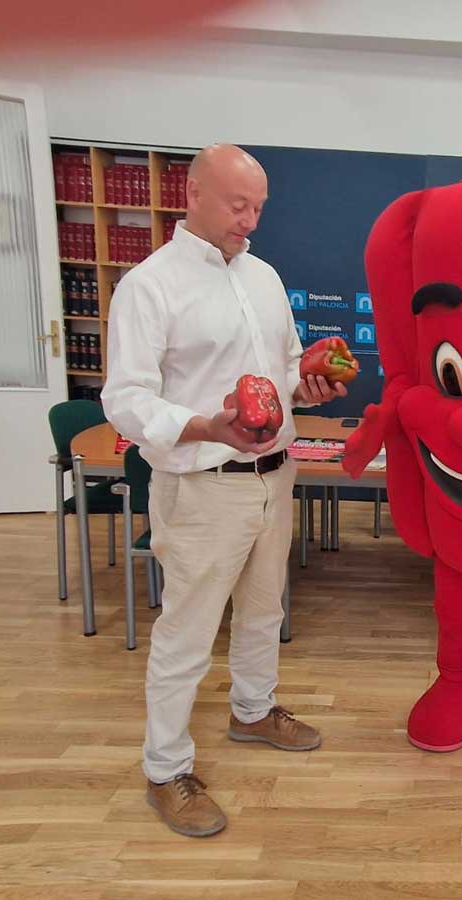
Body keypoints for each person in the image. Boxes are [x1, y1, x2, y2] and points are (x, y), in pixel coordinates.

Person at [102, 143, 347, 837]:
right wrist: (206, 424)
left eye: (259, 208)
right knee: (187, 634)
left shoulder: (264, 277)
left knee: (265, 611)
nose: (251, 221)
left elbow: (287, 368)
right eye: (239, 205)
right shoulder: (149, 286)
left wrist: (307, 385)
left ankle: (253, 711)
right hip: (201, 486)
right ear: (194, 194)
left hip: (274, 475)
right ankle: (165, 770)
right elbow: (125, 399)